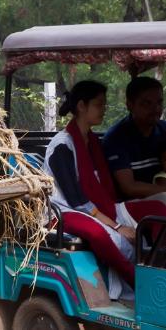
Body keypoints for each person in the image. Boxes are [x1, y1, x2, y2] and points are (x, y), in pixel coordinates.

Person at [44, 80, 166, 299]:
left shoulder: (91, 140)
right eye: (99, 104)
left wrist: (117, 214)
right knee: (98, 234)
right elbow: (76, 200)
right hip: (66, 210)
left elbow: (103, 190)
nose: (104, 110)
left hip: (101, 206)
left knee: (157, 207)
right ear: (82, 106)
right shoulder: (62, 145)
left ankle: (155, 267)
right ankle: (138, 283)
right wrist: (118, 226)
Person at [102, 76, 166, 204]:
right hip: (131, 207)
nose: (156, 109)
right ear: (130, 105)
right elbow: (129, 187)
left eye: (159, 102)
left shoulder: (164, 129)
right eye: (147, 103)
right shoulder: (116, 138)